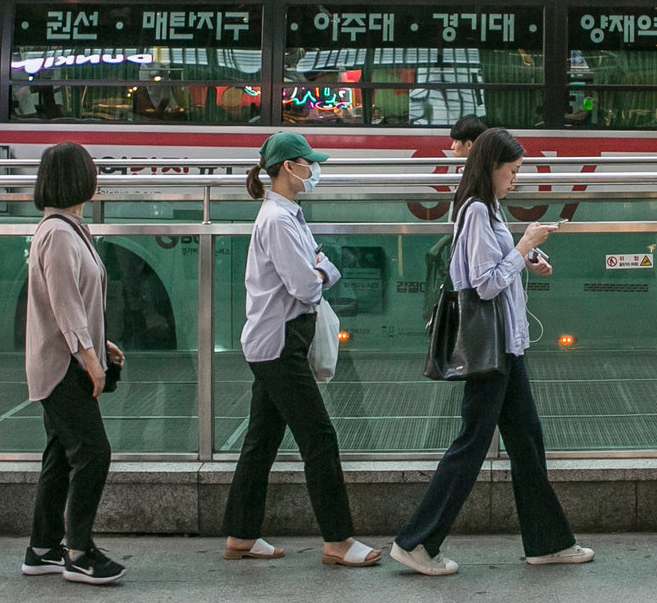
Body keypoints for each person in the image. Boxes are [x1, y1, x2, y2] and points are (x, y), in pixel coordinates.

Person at [391, 128, 592, 575]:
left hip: (506, 348)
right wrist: (524, 247)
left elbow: (494, 269)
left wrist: (526, 258)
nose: (517, 179)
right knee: (473, 444)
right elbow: (483, 283)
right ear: (492, 166)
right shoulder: (478, 210)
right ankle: (417, 541)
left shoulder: (487, 209)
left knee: (526, 441)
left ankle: (548, 541)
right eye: (513, 170)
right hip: (492, 349)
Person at [222, 133, 380, 567]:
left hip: (273, 341)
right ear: (288, 167)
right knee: (319, 437)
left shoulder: (286, 214)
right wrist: (323, 270)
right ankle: (338, 540)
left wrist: (319, 269)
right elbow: (307, 283)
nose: (314, 169)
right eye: (308, 162)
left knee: (262, 439)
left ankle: (241, 534)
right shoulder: (277, 219)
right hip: (279, 344)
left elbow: (316, 269)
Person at [22, 142, 126, 584]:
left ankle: (42, 547)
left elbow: (73, 298)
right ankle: (79, 552)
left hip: (63, 356)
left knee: (60, 456)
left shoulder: (65, 228)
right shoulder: (60, 234)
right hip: (62, 364)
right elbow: (64, 303)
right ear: (80, 179)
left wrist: (100, 341)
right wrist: (88, 356)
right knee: (93, 453)